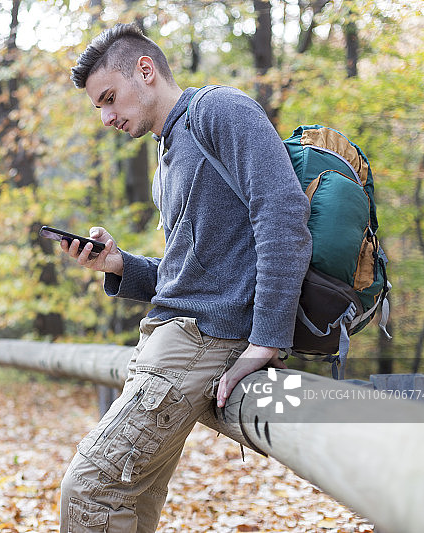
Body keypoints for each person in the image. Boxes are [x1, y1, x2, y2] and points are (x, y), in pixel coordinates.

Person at [56, 23, 312, 532]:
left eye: (110, 97)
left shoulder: (220, 110)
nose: (106, 117)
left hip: (197, 342)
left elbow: (283, 213)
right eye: (98, 107)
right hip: (167, 340)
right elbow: (193, 275)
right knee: (133, 497)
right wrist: (119, 266)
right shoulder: (168, 153)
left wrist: (265, 343)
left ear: (145, 71)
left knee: (89, 488)